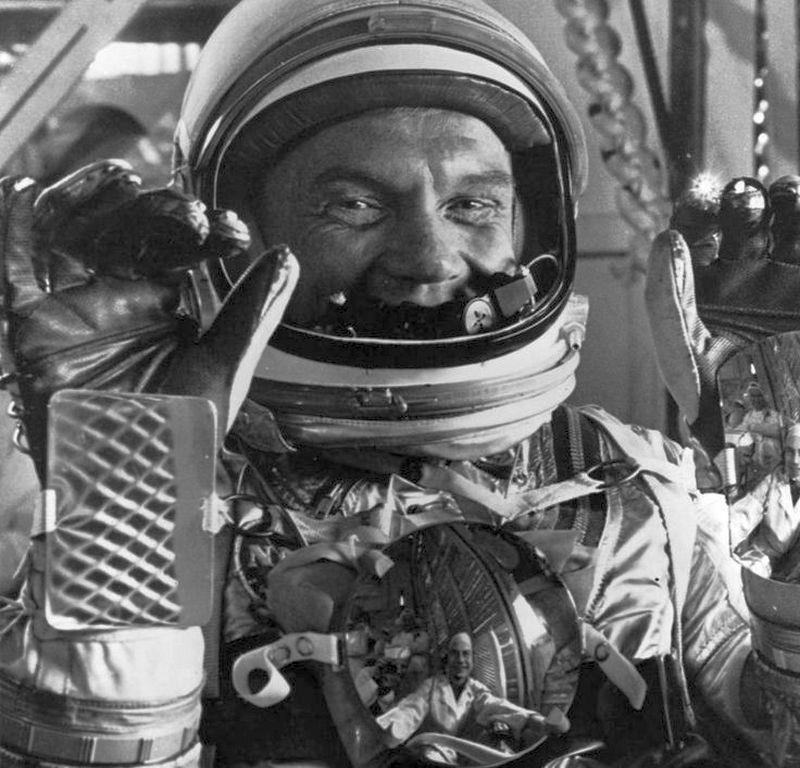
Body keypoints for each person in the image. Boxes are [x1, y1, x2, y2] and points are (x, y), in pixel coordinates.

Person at [0, 1, 785, 767]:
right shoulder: (154, 508)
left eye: (471, 203)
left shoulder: (641, 497)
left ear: (528, 229)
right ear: (244, 237)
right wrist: (130, 509)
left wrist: (782, 486)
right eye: (355, 205)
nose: (432, 258)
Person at [377, 633, 559, 764]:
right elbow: (410, 709)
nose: (461, 660)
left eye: (466, 654)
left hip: (461, 757)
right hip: (430, 753)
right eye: (455, 653)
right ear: (447, 658)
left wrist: (538, 721)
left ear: (472, 660)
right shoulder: (431, 686)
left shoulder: (476, 690)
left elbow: (496, 705)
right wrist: (389, 730)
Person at [732, 423, 800, 578]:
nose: (795, 460)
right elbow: (743, 515)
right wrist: (722, 540)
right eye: (790, 452)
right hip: (762, 558)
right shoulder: (771, 482)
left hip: (794, 570)